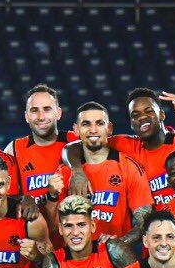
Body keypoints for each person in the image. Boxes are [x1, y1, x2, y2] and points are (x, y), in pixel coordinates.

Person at [52, 102, 152, 243]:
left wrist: (118, 244)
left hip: (116, 260)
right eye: (86, 124)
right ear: (76, 129)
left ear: (109, 128)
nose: (93, 130)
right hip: (78, 259)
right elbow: (55, 226)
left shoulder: (129, 167)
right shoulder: (65, 172)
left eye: (99, 123)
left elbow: (144, 223)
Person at [3, 83, 76, 197]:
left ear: (58, 113)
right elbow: (5, 196)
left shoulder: (76, 141)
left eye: (47, 109)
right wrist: (22, 200)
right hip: (33, 215)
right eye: (34, 110)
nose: (41, 117)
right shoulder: (13, 150)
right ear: (26, 116)